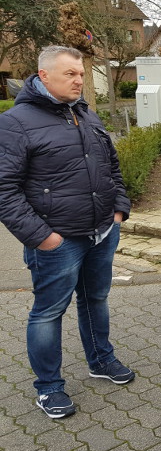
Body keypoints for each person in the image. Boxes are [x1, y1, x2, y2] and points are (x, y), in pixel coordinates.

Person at [0, 45, 133, 419]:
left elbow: (111, 164)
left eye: (80, 73)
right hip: (57, 241)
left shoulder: (85, 114)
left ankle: (101, 361)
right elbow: (4, 189)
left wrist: (119, 209)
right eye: (70, 74)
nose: (79, 80)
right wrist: (42, 236)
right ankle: (48, 388)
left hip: (103, 230)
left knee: (96, 300)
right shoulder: (16, 122)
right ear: (44, 76)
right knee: (48, 313)